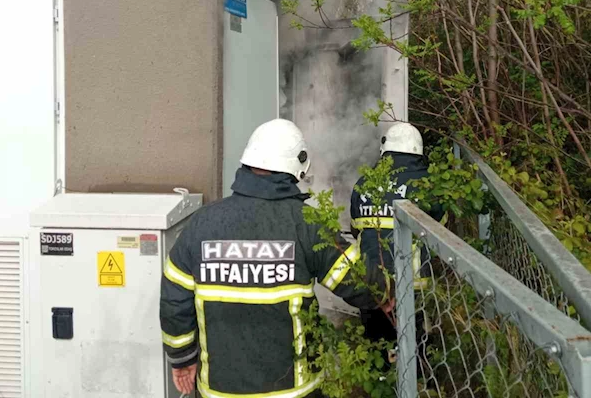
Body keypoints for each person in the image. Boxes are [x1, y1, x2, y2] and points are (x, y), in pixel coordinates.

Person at [160, 119, 388, 398]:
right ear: (297, 168)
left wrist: (183, 359)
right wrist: (390, 288)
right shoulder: (308, 225)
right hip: (293, 391)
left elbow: (174, 301)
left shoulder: (201, 224)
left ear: (247, 163)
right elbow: (364, 285)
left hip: (220, 390)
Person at [350, 122, 445, 347]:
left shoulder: (364, 184)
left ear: (385, 150)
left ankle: (381, 374)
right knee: (414, 344)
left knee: (377, 343)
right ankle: (417, 378)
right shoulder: (428, 185)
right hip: (413, 284)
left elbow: (355, 228)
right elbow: (440, 229)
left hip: (371, 281)